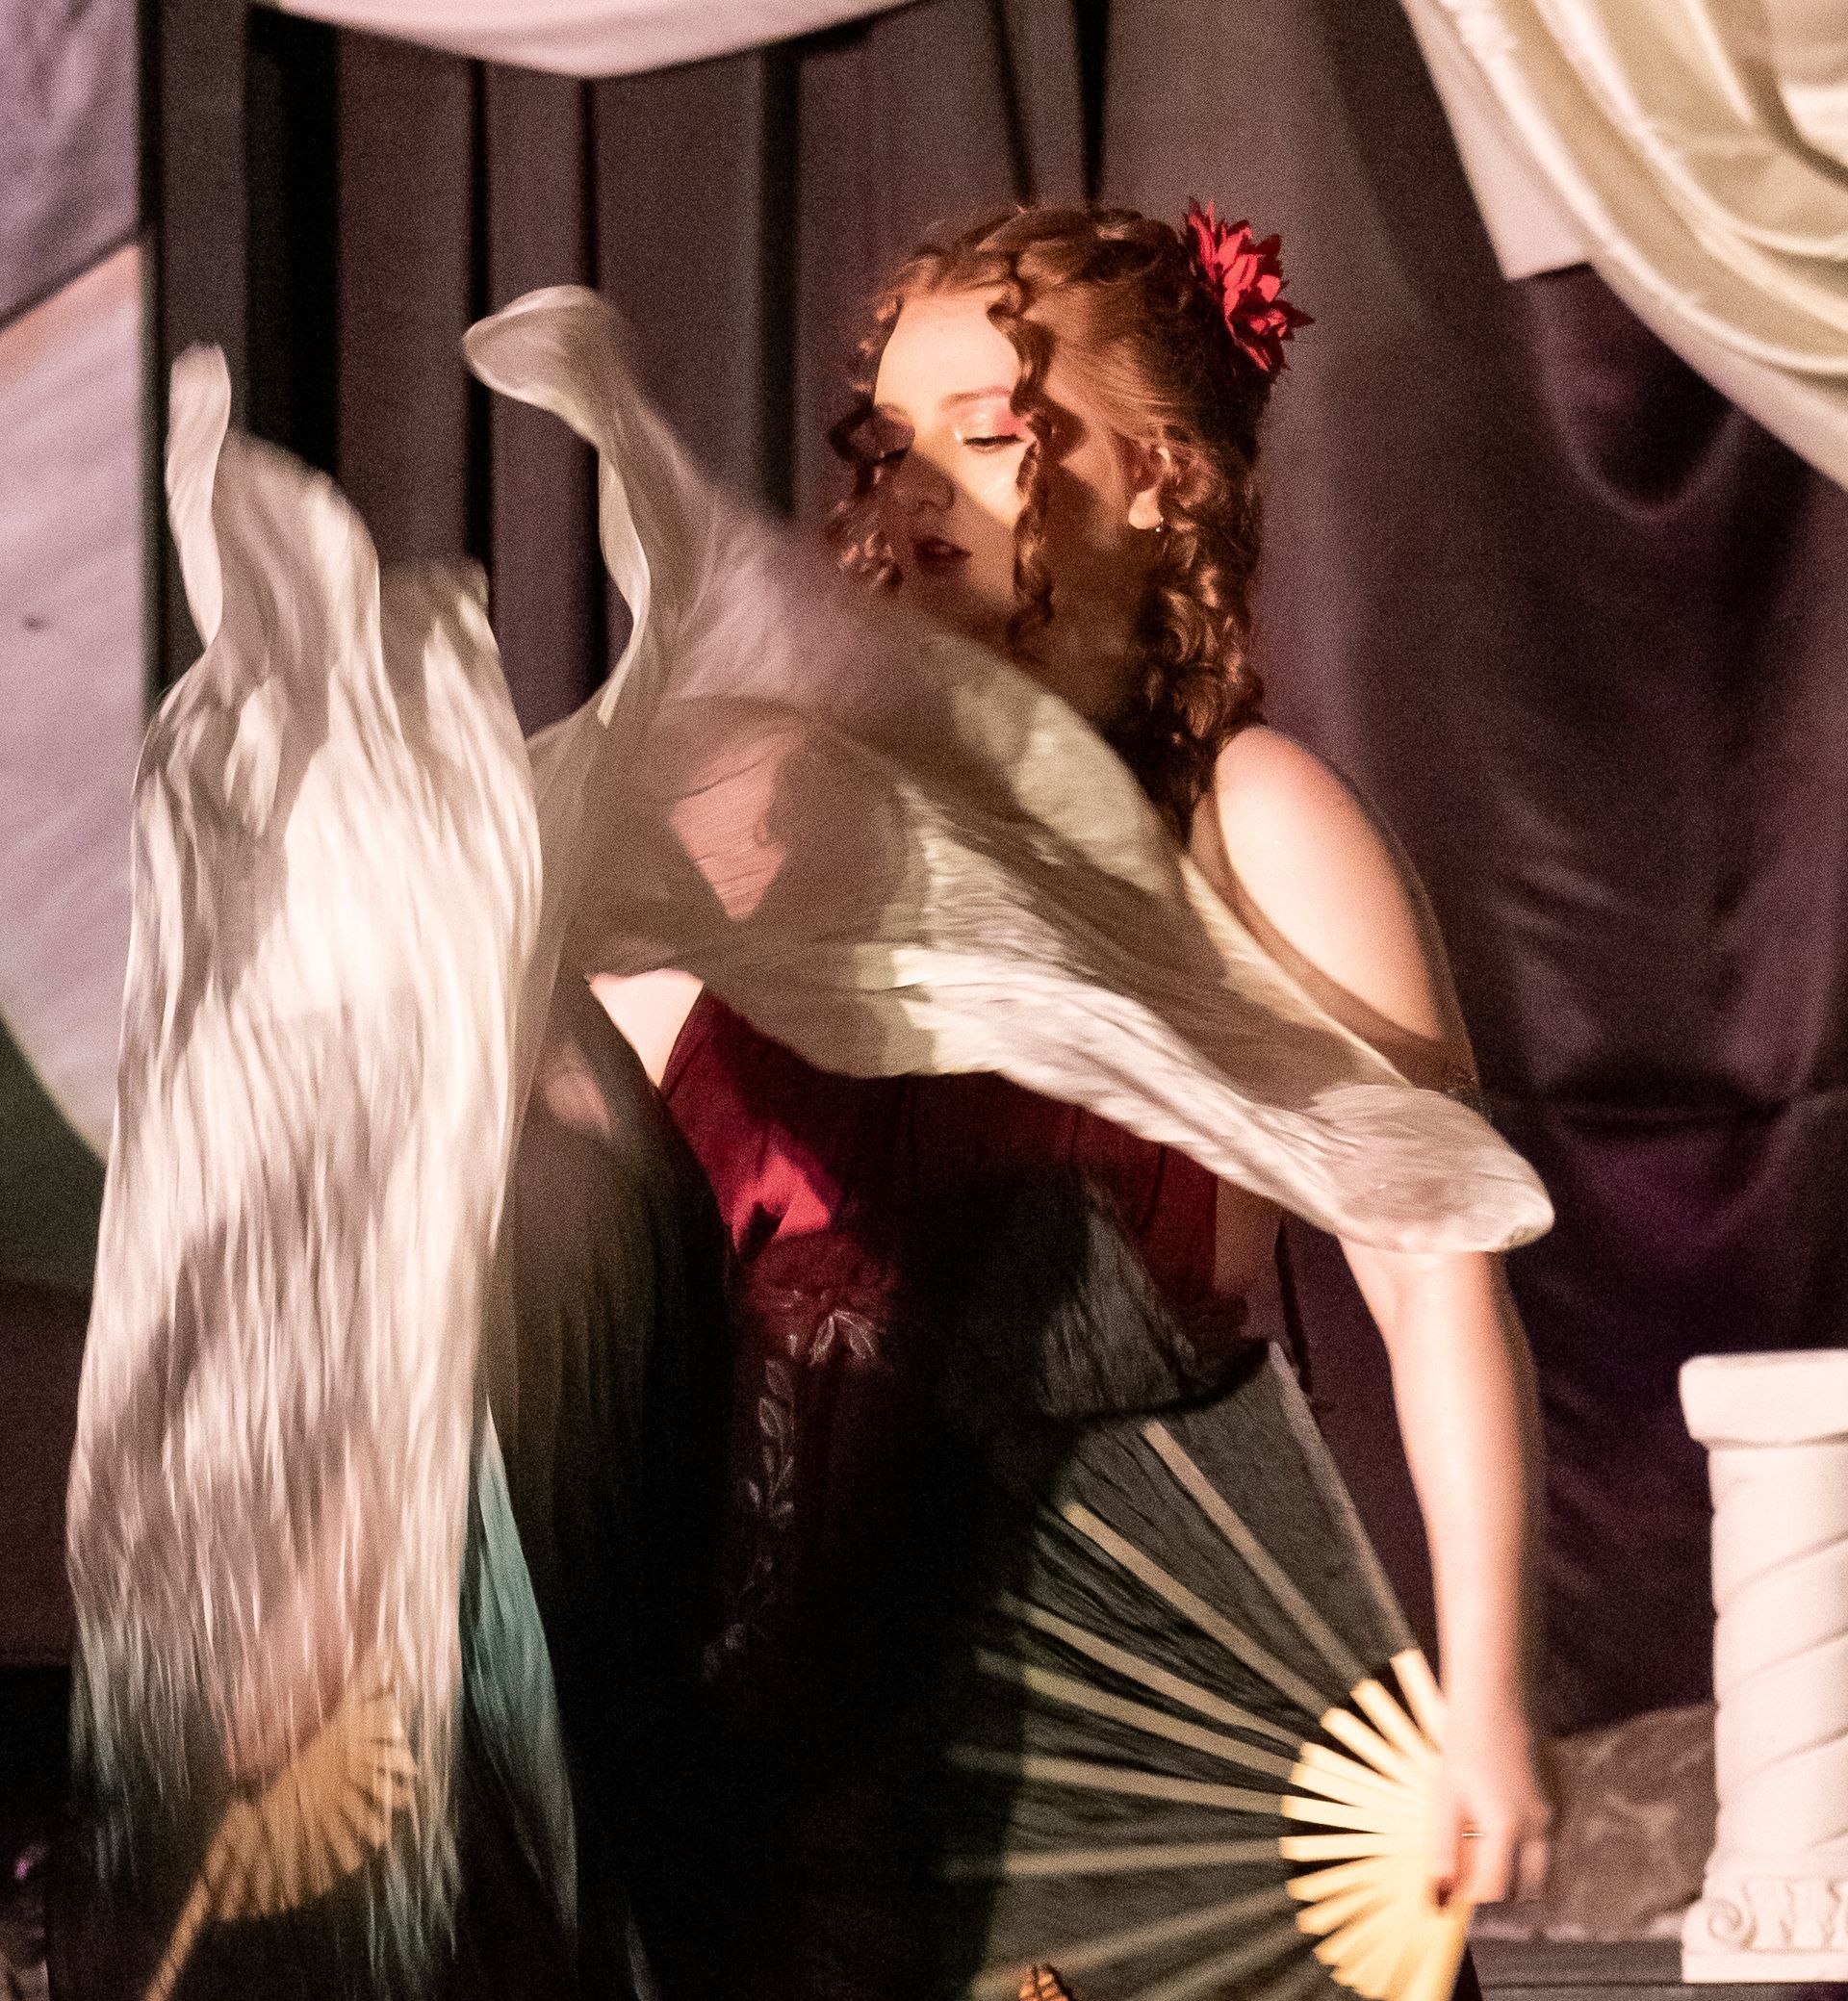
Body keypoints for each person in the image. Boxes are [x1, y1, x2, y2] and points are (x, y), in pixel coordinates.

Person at [601, 204, 1552, 1993]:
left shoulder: (1243, 824)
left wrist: (1488, 1687)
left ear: (1170, 482)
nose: (919, 487)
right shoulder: (779, 826)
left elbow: (1436, 1275)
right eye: (896, 439)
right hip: (777, 1769)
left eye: (995, 431)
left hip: (1134, 1762)